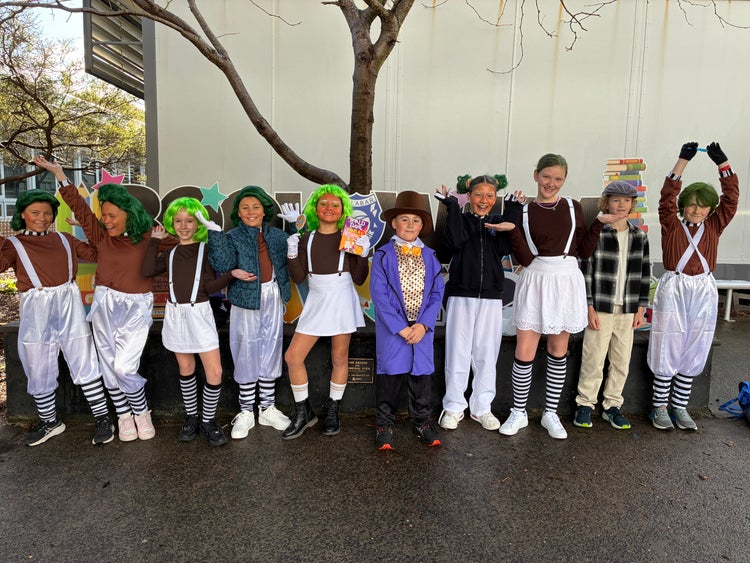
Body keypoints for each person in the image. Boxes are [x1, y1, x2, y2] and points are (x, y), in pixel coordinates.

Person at [34, 155, 176, 442]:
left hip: (136, 307)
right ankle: (123, 415)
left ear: (128, 214)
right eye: (104, 215)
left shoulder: (149, 236)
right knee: (109, 364)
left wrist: (172, 249)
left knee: (124, 366)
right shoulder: (101, 237)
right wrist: (60, 175)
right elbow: (80, 207)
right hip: (103, 303)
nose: (106, 220)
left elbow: (187, 244)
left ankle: (142, 412)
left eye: (112, 215)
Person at [499, 153, 625, 440]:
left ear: (564, 180)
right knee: (525, 349)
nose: (551, 183)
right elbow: (525, 258)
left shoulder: (572, 207)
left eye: (558, 179)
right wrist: (513, 230)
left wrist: (598, 223)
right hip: (536, 278)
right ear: (536, 176)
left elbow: (584, 251)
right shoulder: (525, 211)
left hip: (567, 279)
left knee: (558, 349)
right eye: (546, 177)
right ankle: (518, 412)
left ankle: (550, 413)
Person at [0, 189, 114, 446]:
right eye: (35, 212)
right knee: (37, 361)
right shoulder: (13, 244)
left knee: (83, 356)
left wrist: (89, 228)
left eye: (47, 213)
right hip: (36, 306)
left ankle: (103, 418)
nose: (42, 218)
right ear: (22, 214)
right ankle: (50, 421)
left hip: (68, 301)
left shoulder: (65, 239)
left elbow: (99, 254)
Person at [647, 141, 738, 431]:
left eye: (703, 205)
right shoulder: (671, 224)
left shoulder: (714, 226)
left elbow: (731, 199)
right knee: (667, 343)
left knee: (695, 345)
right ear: (684, 205)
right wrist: (682, 161)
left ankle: (680, 405)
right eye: (692, 204)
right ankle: (659, 406)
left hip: (702, 289)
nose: (697, 210)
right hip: (674, 288)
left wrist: (723, 165)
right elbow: (666, 198)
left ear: (711, 209)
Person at [197, 186, 293, 439]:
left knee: (271, 347)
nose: (251, 212)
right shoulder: (232, 236)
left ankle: (267, 408)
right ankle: (246, 410)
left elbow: (296, 257)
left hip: (273, 295)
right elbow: (222, 264)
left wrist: (297, 228)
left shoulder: (278, 237)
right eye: (245, 208)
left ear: (264, 211)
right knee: (245, 349)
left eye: (256, 207)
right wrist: (215, 235)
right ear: (238, 213)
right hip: (245, 298)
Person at [143, 197, 235, 446]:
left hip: (200, 313)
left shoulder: (205, 250)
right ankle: (191, 417)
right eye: (178, 221)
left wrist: (230, 276)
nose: (183, 226)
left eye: (189, 221)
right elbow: (147, 271)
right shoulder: (170, 252)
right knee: (185, 368)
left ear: (198, 224)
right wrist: (155, 241)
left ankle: (208, 420)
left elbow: (209, 287)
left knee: (215, 371)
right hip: (176, 314)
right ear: (171, 223)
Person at [434, 175, 521, 432]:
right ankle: (453, 406)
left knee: (486, 353)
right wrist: (451, 207)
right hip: (461, 294)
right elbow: (454, 243)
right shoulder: (460, 219)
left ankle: (482, 407)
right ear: (469, 196)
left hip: (491, 296)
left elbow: (505, 248)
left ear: (496, 198)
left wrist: (512, 212)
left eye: (490, 195)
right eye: (479, 194)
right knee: (458, 351)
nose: (484, 200)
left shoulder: (498, 220)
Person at [283, 184, 370, 439]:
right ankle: (304, 412)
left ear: (343, 210)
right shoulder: (306, 238)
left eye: (335, 204)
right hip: (317, 298)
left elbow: (359, 278)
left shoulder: (350, 236)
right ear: (315, 208)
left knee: (339, 357)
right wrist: (292, 253)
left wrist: (362, 253)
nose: (329, 208)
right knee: (292, 356)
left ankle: (333, 409)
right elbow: (298, 277)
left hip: (341, 297)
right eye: (323, 203)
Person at [370, 190, 445, 450]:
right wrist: (401, 328)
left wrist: (423, 325)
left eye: (415, 220)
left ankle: (421, 421)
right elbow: (379, 295)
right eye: (404, 219)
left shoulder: (430, 256)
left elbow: (436, 292)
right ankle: (384, 423)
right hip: (395, 328)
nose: (410, 225)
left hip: (421, 326)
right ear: (394, 223)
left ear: (422, 226)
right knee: (390, 374)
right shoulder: (383, 256)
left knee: (421, 375)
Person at [573, 181, 651, 430]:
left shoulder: (639, 236)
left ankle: (612, 405)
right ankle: (585, 404)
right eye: (616, 200)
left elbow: (644, 274)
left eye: (626, 201)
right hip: (601, 306)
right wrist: (589, 307)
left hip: (627, 309)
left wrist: (641, 308)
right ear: (606, 203)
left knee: (621, 360)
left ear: (632, 205)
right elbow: (586, 272)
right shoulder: (597, 233)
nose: (621, 205)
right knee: (593, 358)